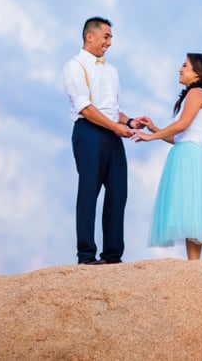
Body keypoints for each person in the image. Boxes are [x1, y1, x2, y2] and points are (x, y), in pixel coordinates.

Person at [133, 53, 202, 261]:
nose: (180, 69)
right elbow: (179, 137)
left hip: (188, 157)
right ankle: (194, 265)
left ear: (198, 72)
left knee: (187, 214)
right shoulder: (197, 94)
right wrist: (155, 129)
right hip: (186, 152)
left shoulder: (196, 93)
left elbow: (182, 125)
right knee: (190, 211)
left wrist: (150, 137)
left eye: (185, 66)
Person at [62, 17, 145, 265]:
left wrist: (129, 122)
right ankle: (86, 255)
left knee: (119, 192)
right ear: (90, 36)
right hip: (88, 131)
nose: (110, 42)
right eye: (106, 36)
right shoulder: (74, 66)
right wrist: (115, 127)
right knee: (89, 191)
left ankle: (112, 256)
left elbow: (111, 109)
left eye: (111, 37)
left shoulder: (112, 70)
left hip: (112, 132)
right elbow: (85, 108)